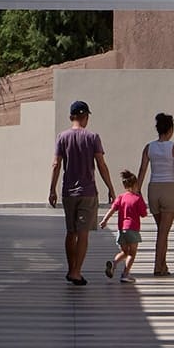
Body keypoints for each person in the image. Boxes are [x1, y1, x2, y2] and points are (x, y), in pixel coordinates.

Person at [45, 99, 114, 285]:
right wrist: (110, 187)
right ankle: (76, 272)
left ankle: (70, 269)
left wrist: (52, 190)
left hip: (68, 192)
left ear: (71, 117)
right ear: (85, 117)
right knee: (83, 233)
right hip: (88, 191)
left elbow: (55, 164)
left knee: (71, 232)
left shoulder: (62, 137)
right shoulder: (93, 137)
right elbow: (101, 164)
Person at [137, 112, 174, 277]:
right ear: (170, 129)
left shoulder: (149, 147)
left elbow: (143, 170)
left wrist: (137, 191)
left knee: (161, 230)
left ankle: (163, 265)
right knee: (163, 232)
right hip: (169, 189)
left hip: (153, 190)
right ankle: (158, 267)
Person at [100, 172, 149, 281]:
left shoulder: (121, 197)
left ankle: (114, 263)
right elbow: (144, 214)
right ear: (136, 185)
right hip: (133, 229)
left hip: (121, 230)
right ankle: (125, 274)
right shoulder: (137, 198)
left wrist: (104, 220)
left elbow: (112, 209)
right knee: (132, 253)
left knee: (124, 252)